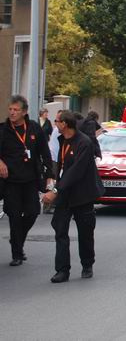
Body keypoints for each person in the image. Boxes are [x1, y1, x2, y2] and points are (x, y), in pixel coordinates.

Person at [41, 110, 104, 283]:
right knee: (60, 229)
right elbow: (62, 168)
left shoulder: (84, 142)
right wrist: (53, 184)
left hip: (82, 193)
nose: (54, 124)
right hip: (65, 193)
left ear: (64, 124)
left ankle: (87, 264)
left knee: (85, 231)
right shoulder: (62, 140)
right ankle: (62, 270)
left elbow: (76, 171)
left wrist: (55, 192)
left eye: (56, 121)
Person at [0, 95, 53, 266]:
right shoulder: (3, 130)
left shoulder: (34, 128)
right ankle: (17, 252)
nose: (12, 113)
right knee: (14, 216)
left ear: (24, 112)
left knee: (32, 212)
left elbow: (44, 152)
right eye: (10, 109)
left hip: (30, 179)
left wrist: (50, 175)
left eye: (16, 110)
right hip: (10, 181)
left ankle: (17, 239)